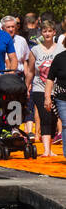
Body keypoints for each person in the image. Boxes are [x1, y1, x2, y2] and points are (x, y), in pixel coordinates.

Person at [31, 17, 63, 157]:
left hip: (56, 89)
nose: (48, 34)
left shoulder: (61, 49)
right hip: (39, 87)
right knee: (45, 116)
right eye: (45, 31)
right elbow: (30, 71)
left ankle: (50, 148)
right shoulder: (35, 50)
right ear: (41, 33)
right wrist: (27, 86)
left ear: (54, 32)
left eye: (50, 31)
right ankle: (46, 150)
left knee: (54, 118)